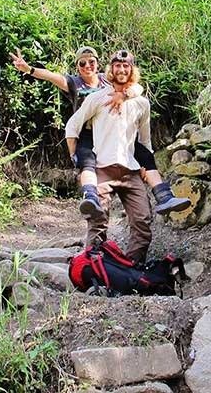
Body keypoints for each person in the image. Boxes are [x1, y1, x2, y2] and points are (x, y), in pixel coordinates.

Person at [9, 45, 189, 216]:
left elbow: (136, 86)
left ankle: (164, 196)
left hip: (113, 131)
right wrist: (28, 69)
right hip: (88, 131)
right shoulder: (75, 83)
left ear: (98, 64)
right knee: (86, 160)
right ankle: (90, 196)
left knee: (144, 154)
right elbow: (51, 76)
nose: (87, 66)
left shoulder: (108, 79)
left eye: (91, 62)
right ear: (77, 67)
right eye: (82, 63)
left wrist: (123, 95)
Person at [64, 49, 155, 262]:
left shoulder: (142, 103)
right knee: (98, 219)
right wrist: (75, 157)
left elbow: (144, 140)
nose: (121, 69)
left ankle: (132, 268)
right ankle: (93, 267)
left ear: (132, 70)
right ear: (110, 70)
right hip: (102, 168)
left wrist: (146, 164)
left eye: (126, 66)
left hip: (131, 170)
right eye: (117, 66)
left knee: (143, 221)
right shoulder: (97, 98)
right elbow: (72, 126)